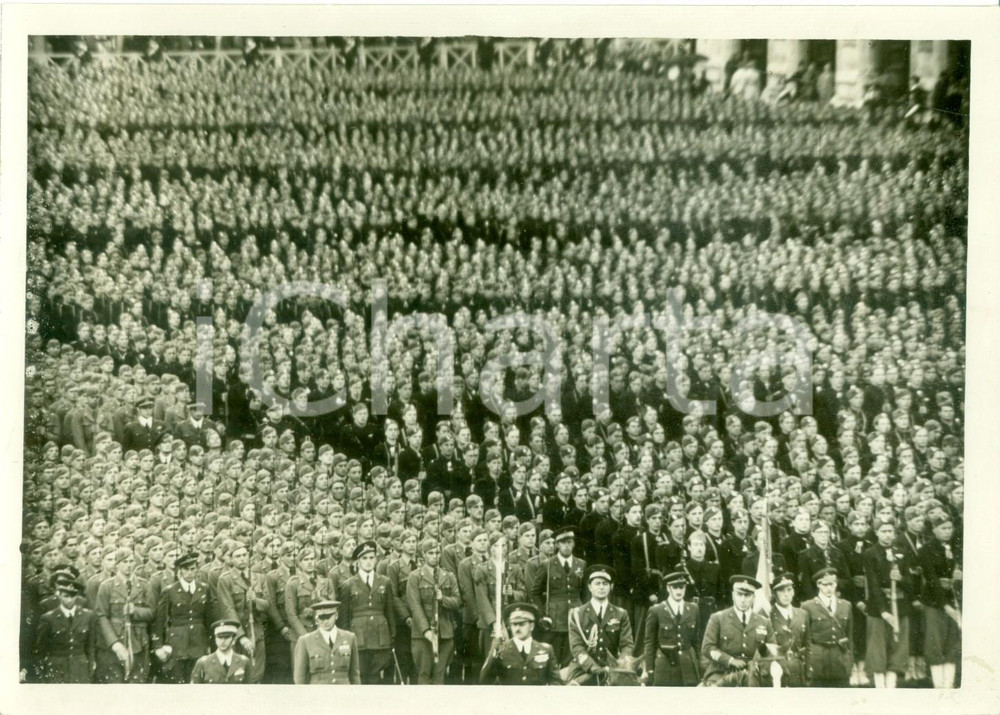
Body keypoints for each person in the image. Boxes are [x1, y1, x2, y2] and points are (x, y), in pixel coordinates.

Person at [700, 575, 777, 686]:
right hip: (722, 671)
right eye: (739, 594)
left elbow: (772, 649)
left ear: (754, 598)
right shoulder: (718, 618)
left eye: (747, 595)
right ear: (733, 595)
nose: (743, 599)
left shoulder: (764, 622)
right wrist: (730, 660)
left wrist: (756, 662)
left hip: (754, 673)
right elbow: (707, 648)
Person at [863, 521, 913, 688]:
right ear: (876, 532)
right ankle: (880, 687)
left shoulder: (902, 553)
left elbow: (910, 583)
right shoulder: (870, 553)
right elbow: (873, 585)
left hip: (900, 606)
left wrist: (901, 579)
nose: (887, 535)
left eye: (890, 531)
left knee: (898, 647)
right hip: (879, 609)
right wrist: (884, 611)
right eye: (883, 531)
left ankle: (891, 687)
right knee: (877, 647)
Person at [564, 565, 634, 685]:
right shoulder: (577, 614)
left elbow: (627, 645)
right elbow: (576, 647)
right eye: (597, 583)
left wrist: (620, 665)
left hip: (613, 668)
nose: (601, 587)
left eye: (605, 584)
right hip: (584, 668)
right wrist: (593, 667)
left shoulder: (621, 614)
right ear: (590, 587)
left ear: (611, 587)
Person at [338, 540, 395, 683]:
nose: (368, 562)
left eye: (371, 558)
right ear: (357, 562)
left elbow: (389, 612)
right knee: (360, 676)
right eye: (364, 558)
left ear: (376, 559)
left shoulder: (385, 582)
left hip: (380, 639)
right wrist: (345, 641)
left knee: (376, 678)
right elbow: (344, 617)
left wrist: (392, 636)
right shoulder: (348, 585)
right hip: (358, 639)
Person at [406, 537, 462, 684]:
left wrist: (443, 599)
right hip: (423, 635)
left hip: (445, 632)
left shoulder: (448, 576)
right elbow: (415, 606)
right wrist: (427, 631)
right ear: (423, 554)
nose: (434, 556)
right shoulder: (415, 577)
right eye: (430, 553)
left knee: (439, 674)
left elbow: (457, 600)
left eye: (437, 553)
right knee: (424, 674)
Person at [94, 547, 155, 683]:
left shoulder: (144, 585)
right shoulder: (107, 586)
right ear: (117, 564)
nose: (128, 565)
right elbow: (101, 616)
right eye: (124, 562)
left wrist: (136, 611)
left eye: (131, 561)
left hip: (137, 643)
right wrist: (114, 644)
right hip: (114, 644)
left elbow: (151, 612)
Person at [151, 551, 213, 684]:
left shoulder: (204, 589)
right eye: (186, 569)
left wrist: (210, 644)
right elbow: (159, 621)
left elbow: (209, 619)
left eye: (193, 569)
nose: (190, 573)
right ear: (180, 570)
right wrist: (158, 646)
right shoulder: (170, 591)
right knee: (177, 681)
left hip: (199, 643)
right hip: (177, 645)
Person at [532, 526, 586, 667]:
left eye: (569, 542)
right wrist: (543, 613)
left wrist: (584, 611)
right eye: (563, 542)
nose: (567, 546)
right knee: (554, 658)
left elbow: (585, 592)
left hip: (576, 616)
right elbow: (535, 592)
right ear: (557, 545)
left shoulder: (581, 564)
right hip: (555, 619)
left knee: (573, 657)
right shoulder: (547, 565)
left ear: (574, 544)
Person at [918, 513, 961, 689]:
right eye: (943, 528)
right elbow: (932, 580)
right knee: (935, 643)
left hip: (954, 601)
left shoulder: (956, 547)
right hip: (935, 603)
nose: (947, 532)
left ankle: (949, 685)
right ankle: (938, 686)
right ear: (934, 530)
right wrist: (945, 605)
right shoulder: (926, 550)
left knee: (952, 643)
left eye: (949, 528)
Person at [33, 576, 97, 683]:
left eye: (73, 596)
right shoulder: (48, 618)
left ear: (77, 596)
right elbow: (41, 648)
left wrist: (90, 664)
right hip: (57, 667)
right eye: (66, 596)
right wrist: (43, 670)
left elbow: (90, 645)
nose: (69, 600)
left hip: (80, 668)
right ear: (59, 596)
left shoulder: (88, 616)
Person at [480, 602, 561, 685]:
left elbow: (556, 681)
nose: (517, 629)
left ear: (531, 626)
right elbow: (484, 680)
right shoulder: (501, 649)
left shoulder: (546, 650)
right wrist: (494, 650)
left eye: (522, 624)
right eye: (514, 624)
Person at [643, 571, 700, 687]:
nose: (679, 591)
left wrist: (701, 666)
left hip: (688, 667)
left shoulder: (693, 609)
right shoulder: (656, 610)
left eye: (682, 587)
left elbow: (697, 641)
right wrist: (649, 670)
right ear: (668, 588)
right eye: (675, 587)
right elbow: (649, 643)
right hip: (664, 666)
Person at [801, 567, 853, 687]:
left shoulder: (846, 605)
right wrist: (808, 664)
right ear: (819, 584)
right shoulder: (808, 606)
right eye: (825, 585)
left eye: (832, 584)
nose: (829, 588)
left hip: (840, 660)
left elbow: (849, 637)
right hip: (818, 661)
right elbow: (806, 639)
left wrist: (849, 662)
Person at [292, 600, 361, 684]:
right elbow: (300, 678)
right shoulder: (305, 641)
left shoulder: (349, 637)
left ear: (336, 616)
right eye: (321, 618)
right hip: (318, 693)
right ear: (316, 619)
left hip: (343, 692)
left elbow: (355, 675)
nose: (325, 621)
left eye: (328, 617)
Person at [770, 572, 807, 687]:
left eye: (789, 590)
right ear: (775, 594)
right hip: (776, 670)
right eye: (781, 591)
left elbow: (808, 643)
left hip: (798, 669)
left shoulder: (802, 614)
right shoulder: (768, 615)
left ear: (793, 592)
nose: (786, 594)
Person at [190, 620, 250, 684]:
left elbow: (250, 690)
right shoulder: (203, 663)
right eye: (219, 637)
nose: (222, 641)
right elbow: (194, 691)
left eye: (227, 637)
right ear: (215, 638)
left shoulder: (244, 662)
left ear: (234, 639)